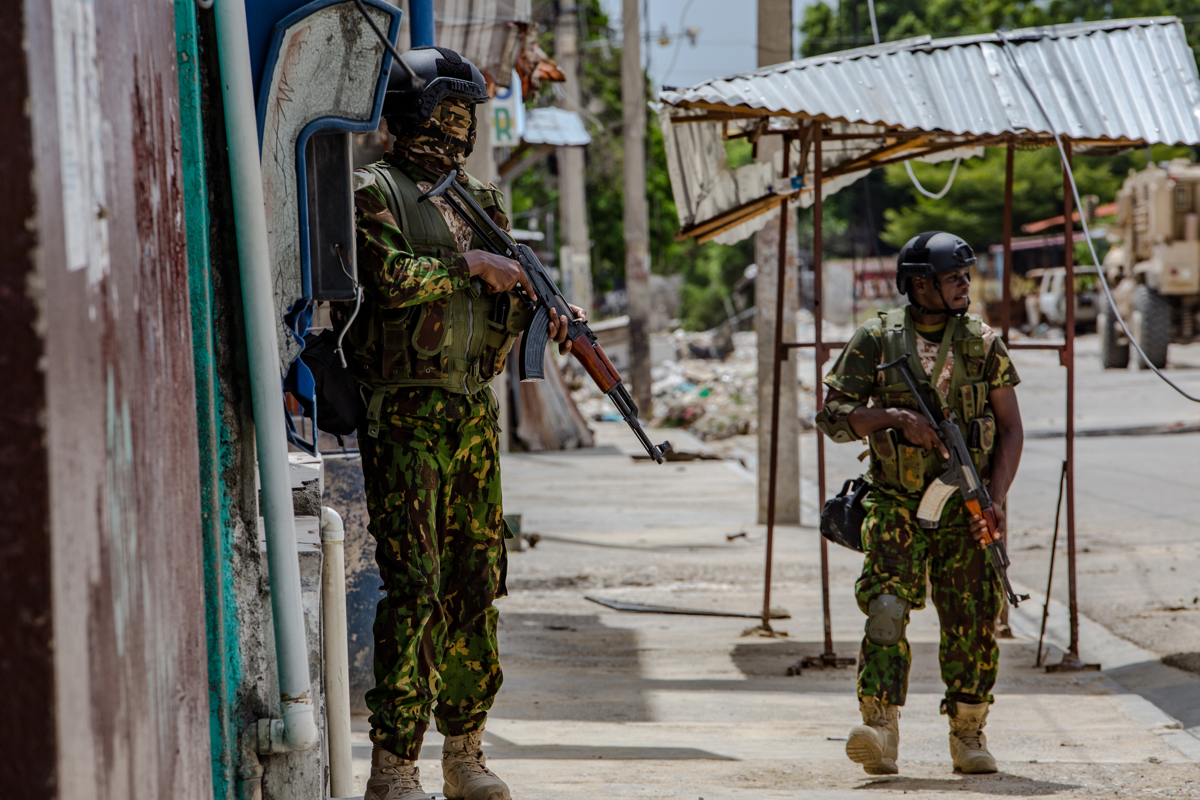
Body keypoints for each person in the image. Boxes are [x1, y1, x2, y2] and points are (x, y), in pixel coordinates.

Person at [347, 46, 581, 800]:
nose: (458, 130)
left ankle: (465, 752)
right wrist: (469, 266)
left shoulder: (479, 197)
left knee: (477, 583)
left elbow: (504, 293)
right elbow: (383, 281)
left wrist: (543, 305)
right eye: (450, 114)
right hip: (405, 413)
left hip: (471, 415)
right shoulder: (371, 189)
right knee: (414, 586)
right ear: (416, 114)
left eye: (465, 116)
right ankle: (394, 765)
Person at [814, 231, 1024, 776]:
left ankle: (968, 732)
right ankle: (879, 727)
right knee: (886, 609)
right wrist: (892, 417)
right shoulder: (878, 339)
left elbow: (1011, 429)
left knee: (974, 621)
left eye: (964, 276)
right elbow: (833, 416)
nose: (965, 285)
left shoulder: (982, 342)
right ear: (919, 284)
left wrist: (994, 499)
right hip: (895, 501)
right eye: (953, 277)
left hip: (965, 507)